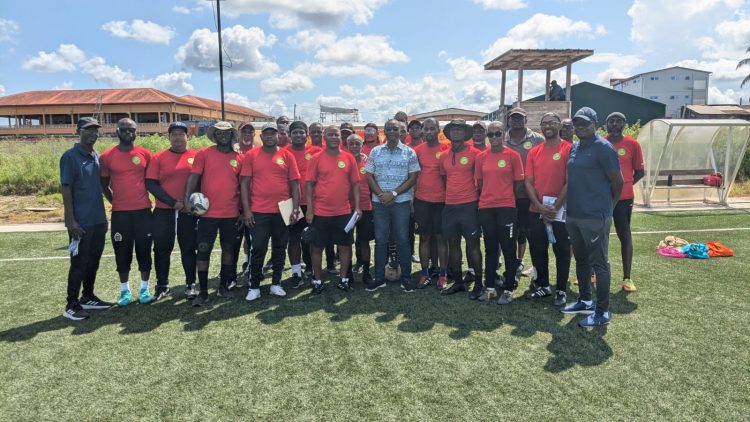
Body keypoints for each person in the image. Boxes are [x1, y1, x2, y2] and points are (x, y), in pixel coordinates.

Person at [562, 107, 623, 327]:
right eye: (577, 124)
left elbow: (618, 183)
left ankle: (602, 311)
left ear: (595, 124)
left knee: (600, 264)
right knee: (581, 259)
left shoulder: (603, 148)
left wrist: (608, 208)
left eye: (585, 124)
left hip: (596, 216)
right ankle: (585, 300)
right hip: (575, 215)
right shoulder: (575, 147)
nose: (580, 127)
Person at [59, 117, 113, 320]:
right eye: (88, 130)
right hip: (80, 222)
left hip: (98, 220)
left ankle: (88, 296)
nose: (93, 133)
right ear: (78, 131)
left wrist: (115, 204)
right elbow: (66, 190)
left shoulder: (95, 156)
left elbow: (102, 186)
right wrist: (71, 222)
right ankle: (71, 304)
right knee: (79, 262)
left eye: (95, 130)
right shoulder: (70, 157)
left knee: (93, 261)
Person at [185, 121, 243, 306]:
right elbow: (194, 177)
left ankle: (223, 287)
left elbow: (243, 186)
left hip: (231, 214)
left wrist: (242, 210)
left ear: (231, 135)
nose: (223, 135)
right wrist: (187, 200)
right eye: (219, 133)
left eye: (226, 133)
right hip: (207, 214)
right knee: (203, 251)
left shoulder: (239, 158)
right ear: (215, 135)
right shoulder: (204, 154)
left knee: (228, 250)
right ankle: (203, 292)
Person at [240, 122, 300, 302]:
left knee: (280, 248)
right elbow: (244, 184)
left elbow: (295, 184)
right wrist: (247, 210)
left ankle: (276, 284)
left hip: (283, 209)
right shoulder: (251, 155)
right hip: (258, 210)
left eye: (272, 133)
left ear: (277, 136)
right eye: (266, 134)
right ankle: (254, 286)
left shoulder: (287, 155)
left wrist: (295, 209)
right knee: (258, 248)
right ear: (261, 136)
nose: (269, 137)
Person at [100, 118, 153, 306]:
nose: (129, 132)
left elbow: (151, 181)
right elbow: (103, 184)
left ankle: (145, 288)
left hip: (143, 212)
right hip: (120, 214)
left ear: (136, 132)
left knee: (144, 251)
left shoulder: (145, 154)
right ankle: (124, 291)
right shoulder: (107, 156)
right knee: (122, 253)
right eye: (125, 129)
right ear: (117, 131)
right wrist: (115, 201)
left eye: (132, 129)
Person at [364, 119, 420, 292]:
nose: (392, 131)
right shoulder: (375, 151)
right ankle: (379, 278)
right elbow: (369, 175)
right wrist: (381, 194)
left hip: (401, 202)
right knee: (380, 240)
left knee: (403, 239)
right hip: (379, 202)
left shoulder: (409, 152)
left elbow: (413, 178)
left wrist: (394, 194)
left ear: (401, 131)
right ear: (384, 132)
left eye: (395, 128)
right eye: (388, 129)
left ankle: (406, 278)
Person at [146, 122, 199, 302]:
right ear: (168, 137)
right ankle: (162, 285)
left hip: (188, 212)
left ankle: (191, 284)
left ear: (187, 136)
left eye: (181, 134)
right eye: (173, 134)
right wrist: (172, 203)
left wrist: (193, 204)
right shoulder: (158, 157)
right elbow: (151, 183)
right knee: (161, 249)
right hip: (163, 211)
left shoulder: (196, 156)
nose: (177, 137)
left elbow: (202, 182)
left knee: (189, 249)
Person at [306, 126, 362, 294]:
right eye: (329, 134)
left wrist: (358, 207)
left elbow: (355, 185)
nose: (333, 137)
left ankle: (344, 279)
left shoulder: (348, 158)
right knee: (317, 248)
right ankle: (317, 280)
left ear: (340, 138)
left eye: (336, 135)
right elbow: (309, 185)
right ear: (324, 137)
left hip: (343, 212)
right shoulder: (316, 158)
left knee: (345, 247)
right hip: (321, 212)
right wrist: (310, 209)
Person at [524, 112, 572, 306]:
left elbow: (570, 181)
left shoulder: (569, 149)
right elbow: (528, 181)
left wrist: (555, 207)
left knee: (561, 250)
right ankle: (543, 285)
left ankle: (561, 289)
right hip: (537, 209)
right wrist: (539, 206)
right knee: (537, 249)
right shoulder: (534, 151)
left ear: (560, 126)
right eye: (544, 123)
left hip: (561, 211)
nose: (548, 126)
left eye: (552, 122)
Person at [474, 121, 524, 304]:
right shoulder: (481, 157)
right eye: (491, 134)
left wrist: (505, 197)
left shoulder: (513, 156)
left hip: (507, 208)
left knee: (508, 249)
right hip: (486, 208)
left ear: (504, 134)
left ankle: (509, 288)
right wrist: (491, 196)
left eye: (498, 133)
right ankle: (490, 288)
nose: (494, 137)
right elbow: (479, 183)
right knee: (490, 249)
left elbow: (519, 184)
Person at [439, 120, 483, 299]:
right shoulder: (443, 156)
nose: (456, 132)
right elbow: (444, 180)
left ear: (466, 133)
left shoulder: (475, 154)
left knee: (473, 244)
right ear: (448, 133)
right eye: (453, 129)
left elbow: (480, 181)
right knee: (453, 244)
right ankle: (457, 282)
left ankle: (479, 284)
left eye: (460, 129)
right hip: (450, 205)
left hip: (469, 205)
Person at [605, 112, 644, 292]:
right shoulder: (600, 142)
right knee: (598, 236)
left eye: (618, 121)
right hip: (602, 198)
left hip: (623, 199)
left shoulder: (632, 144)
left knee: (624, 234)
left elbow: (640, 172)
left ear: (624, 124)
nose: (614, 124)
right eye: (611, 121)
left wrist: (624, 185)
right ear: (606, 124)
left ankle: (627, 278)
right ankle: (594, 273)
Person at [505, 107, 543, 281]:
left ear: (526, 119)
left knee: (531, 234)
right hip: (508, 196)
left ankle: (535, 268)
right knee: (511, 234)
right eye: (513, 118)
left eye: (520, 118)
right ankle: (512, 264)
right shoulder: (501, 138)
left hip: (530, 195)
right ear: (509, 120)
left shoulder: (537, 139)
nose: (516, 121)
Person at [285, 121, 323, 288]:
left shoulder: (316, 151)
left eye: (301, 132)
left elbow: (333, 157)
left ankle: (314, 270)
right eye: (295, 133)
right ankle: (296, 272)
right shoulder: (283, 153)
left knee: (313, 239)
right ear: (289, 135)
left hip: (313, 202)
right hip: (289, 203)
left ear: (306, 135)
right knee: (293, 239)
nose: (298, 135)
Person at [413, 118, 449, 289]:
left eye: (432, 128)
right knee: (424, 238)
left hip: (442, 201)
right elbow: (412, 177)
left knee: (442, 238)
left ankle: (443, 274)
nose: (428, 132)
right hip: (422, 201)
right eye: (425, 129)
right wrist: (412, 201)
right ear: (422, 131)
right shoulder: (417, 150)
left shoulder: (446, 149)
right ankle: (425, 273)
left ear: (438, 130)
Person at [347, 134, 375, 285]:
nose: (354, 147)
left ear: (361, 145)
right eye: (351, 144)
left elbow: (373, 183)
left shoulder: (368, 161)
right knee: (347, 242)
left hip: (366, 207)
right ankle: (347, 273)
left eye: (357, 144)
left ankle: (366, 271)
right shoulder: (343, 161)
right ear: (347, 146)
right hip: (346, 208)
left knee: (364, 241)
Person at [236, 122, 256, 281]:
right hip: (234, 204)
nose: (247, 135)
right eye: (244, 132)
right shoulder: (232, 152)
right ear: (238, 133)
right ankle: (243, 263)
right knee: (235, 239)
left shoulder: (257, 152)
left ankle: (251, 265)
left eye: (250, 132)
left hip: (253, 203)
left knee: (252, 237)